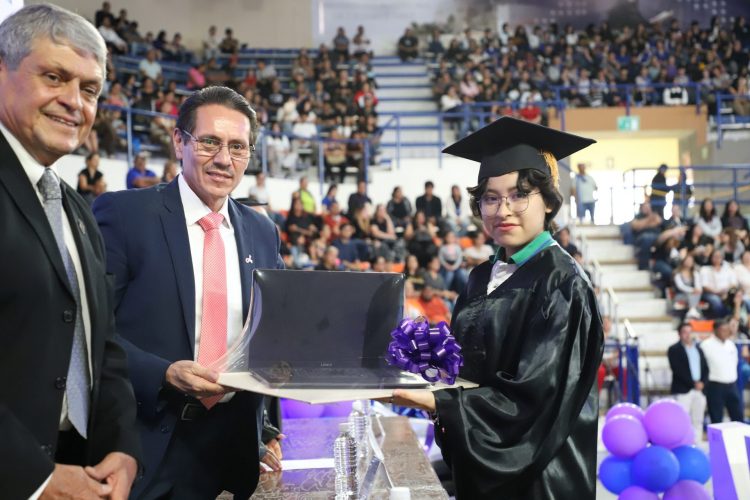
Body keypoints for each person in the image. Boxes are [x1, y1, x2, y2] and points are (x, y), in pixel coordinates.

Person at [391, 116, 603, 499]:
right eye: (491, 198)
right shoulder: (480, 277)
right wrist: (415, 366)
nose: (503, 210)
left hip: (541, 480)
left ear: (548, 202)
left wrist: (439, 402)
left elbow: (536, 397)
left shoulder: (563, 283)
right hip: (482, 472)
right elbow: (469, 370)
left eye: (519, 195)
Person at [93, 86, 285, 499]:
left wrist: (267, 427)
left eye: (238, 147)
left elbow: (267, 336)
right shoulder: (125, 215)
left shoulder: (262, 231)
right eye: (210, 142)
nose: (224, 159)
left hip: (234, 447)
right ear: (179, 142)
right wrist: (162, 373)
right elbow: (91, 331)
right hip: (149, 443)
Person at [0, 4, 141, 499]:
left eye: (90, 89)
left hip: (81, 472)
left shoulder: (76, 209)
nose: (74, 102)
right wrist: (33, 478)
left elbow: (102, 345)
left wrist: (122, 446)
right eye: (54, 77)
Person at [667, 323, 709, 440]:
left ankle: (697, 444)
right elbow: (677, 370)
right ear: (679, 334)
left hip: (700, 389)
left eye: (690, 332)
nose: (688, 335)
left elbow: (705, 368)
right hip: (684, 390)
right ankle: (682, 444)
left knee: (698, 420)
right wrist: (693, 383)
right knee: (682, 420)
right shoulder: (674, 349)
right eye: (685, 332)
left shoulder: (698, 349)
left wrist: (703, 383)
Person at [700, 319, 743, 423]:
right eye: (723, 330)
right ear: (715, 330)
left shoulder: (731, 344)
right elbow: (702, 366)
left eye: (727, 330)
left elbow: (735, 362)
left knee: (738, 416)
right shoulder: (706, 345)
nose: (726, 332)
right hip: (715, 385)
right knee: (716, 418)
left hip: (732, 385)